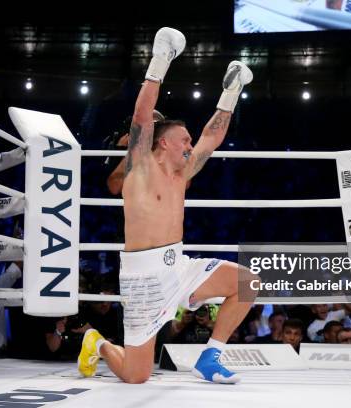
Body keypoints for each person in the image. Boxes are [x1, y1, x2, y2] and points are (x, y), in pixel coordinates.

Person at [78, 27, 255, 384]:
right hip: (144, 278)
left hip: (180, 266)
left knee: (248, 282)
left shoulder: (182, 172)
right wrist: (160, 60)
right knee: (135, 375)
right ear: (161, 144)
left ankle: (211, 356)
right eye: (184, 139)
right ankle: (95, 342)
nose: (191, 145)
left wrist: (232, 89)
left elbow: (213, 135)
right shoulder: (139, 167)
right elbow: (143, 115)